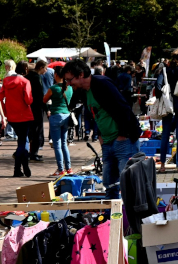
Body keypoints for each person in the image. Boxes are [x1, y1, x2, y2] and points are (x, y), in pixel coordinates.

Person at [62, 59, 141, 199]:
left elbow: (123, 108)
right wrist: (99, 136)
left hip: (123, 141)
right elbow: (96, 114)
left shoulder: (102, 84)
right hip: (107, 142)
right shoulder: (83, 91)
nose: (68, 83)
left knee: (128, 185)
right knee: (109, 185)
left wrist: (122, 135)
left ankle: (130, 218)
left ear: (80, 75)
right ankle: (113, 218)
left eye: (69, 79)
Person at [0, 61, 34, 177]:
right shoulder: (25, 82)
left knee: (22, 141)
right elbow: (28, 100)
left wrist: (5, 111)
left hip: (12, 116)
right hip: (24, 115)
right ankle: (21, 167)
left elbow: (0, 97)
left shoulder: (5, 81)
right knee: (23, 142)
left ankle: (20, 168)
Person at [44, 67, 73, 176]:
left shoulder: (53, 88)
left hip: (56, 116)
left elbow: (44, 100)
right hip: (66, 116)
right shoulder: (69, 88)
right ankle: (69, 168)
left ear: (55, 74)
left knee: (57, 144)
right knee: (64, 143)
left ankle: (61, 169)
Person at [27, 60, 47, 161]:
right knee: (37, 130)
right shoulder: (37, 78)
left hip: (29, 106)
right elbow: (40, 94)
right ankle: (34, 153)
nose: (46, 70)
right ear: (41, 67)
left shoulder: (28, 76)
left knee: (31, 130)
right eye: (45, 68)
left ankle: (31, 152)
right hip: (37, 107)